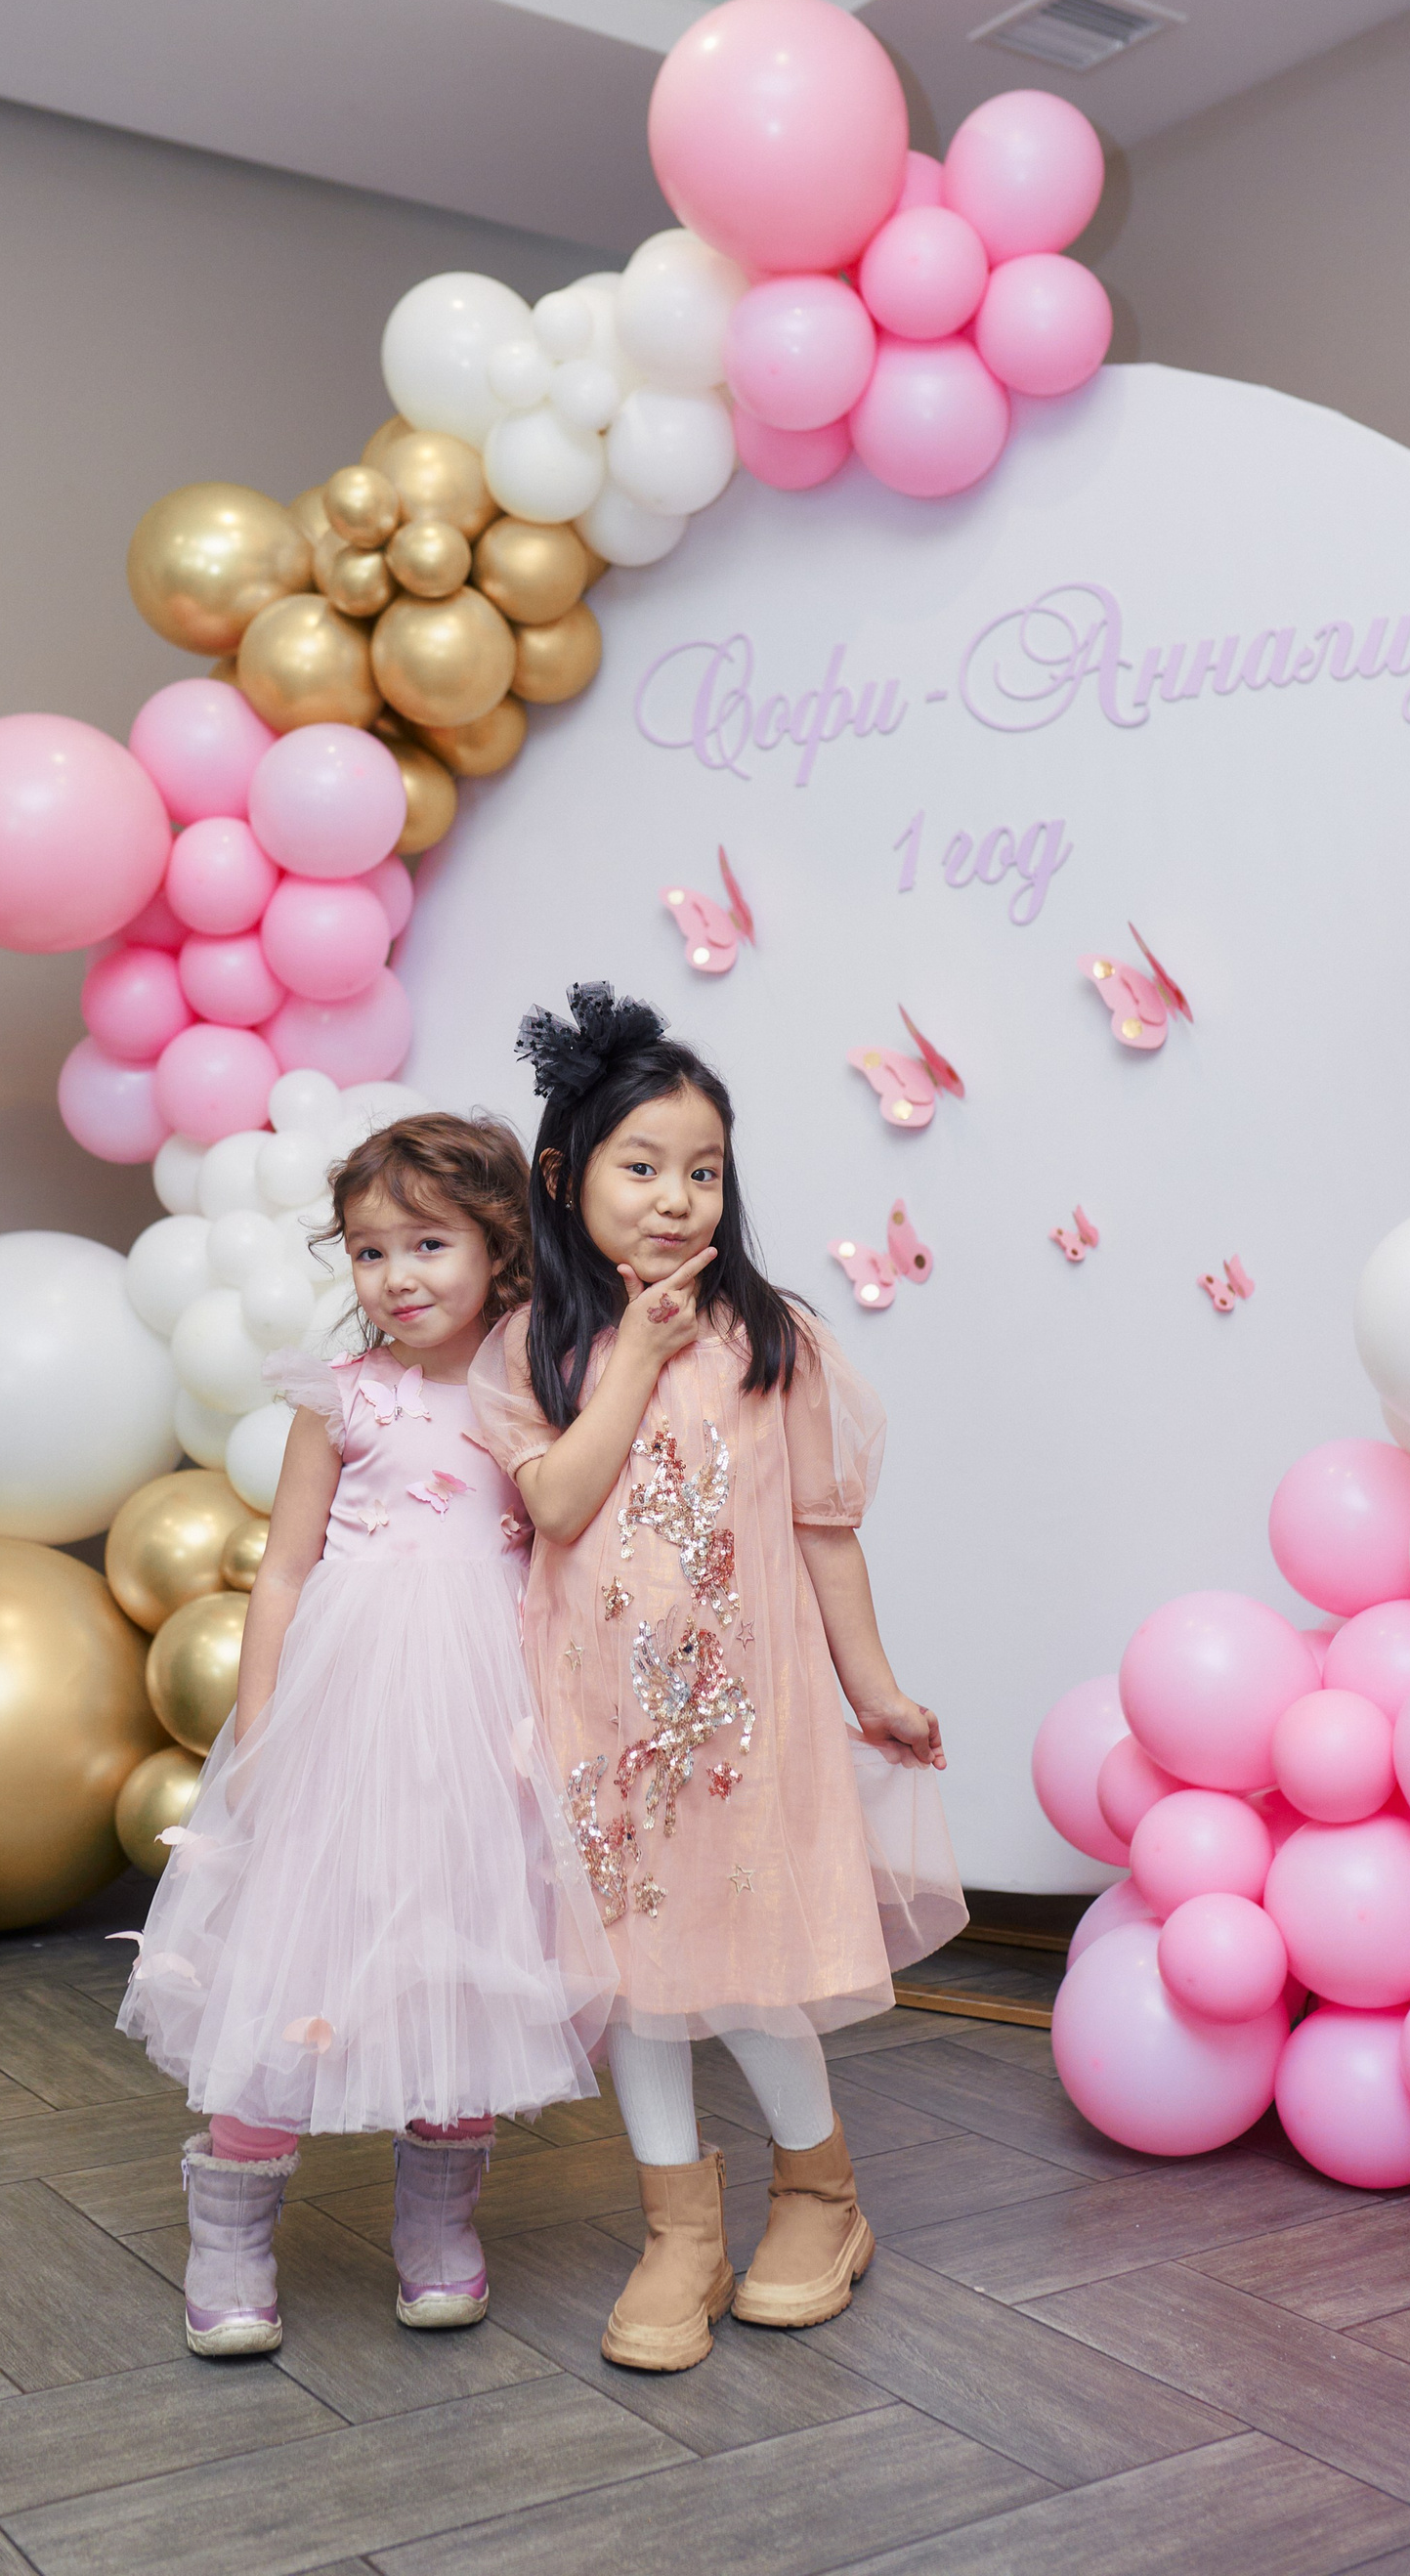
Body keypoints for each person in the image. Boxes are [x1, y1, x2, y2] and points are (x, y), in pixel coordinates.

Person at [469, 982, 963, 2374]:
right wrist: (635, 1351)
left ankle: (821, 2195)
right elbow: (558, 1503)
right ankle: (677, 2229)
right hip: (599, 1725)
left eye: (703, 1171)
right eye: (642, 1168)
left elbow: (824, 1532)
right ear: (564, 1179)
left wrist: (875, 1688)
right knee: (634, 1982)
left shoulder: (772, 1339)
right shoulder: (532, 1347)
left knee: (751, 1977)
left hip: (749, 1728)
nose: (677, 1199)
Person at [118, 1112, 616, 2358]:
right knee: (293, 1954)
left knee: (465, 1955)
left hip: (485, 1720)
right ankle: (230, 2234)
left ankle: (438, 2226)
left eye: (429, 1245)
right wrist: (262, 1722)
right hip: (343, 1718)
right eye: (369, 1251)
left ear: (501, 1249)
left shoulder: (538, 1390)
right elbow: (284, 1571)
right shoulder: (340, 1399)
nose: (396, 1276)